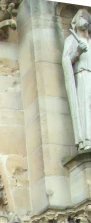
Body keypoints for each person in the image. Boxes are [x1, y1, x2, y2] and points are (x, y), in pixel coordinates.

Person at [63, 9, 91, 150]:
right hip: (82, 75)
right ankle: (87, 140)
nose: (83, 18)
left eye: (85, 17)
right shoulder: (71, 39)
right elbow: (66, 60)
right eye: (80, 16)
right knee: (85, 108)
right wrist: (78, 52)